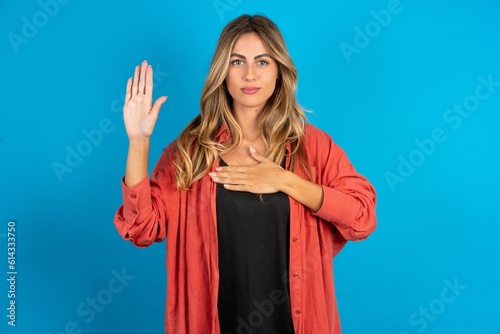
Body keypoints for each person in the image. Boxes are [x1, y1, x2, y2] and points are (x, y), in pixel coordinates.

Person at [114, 14, 376, 334]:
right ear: (222, 71)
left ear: (280, 71)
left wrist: (285, 180)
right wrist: (138, 142)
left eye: (263, 62)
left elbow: (361, 217)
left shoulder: (314, 147)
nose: (249, 74)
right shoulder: (191, 152)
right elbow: (141, 228)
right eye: (237, 61)